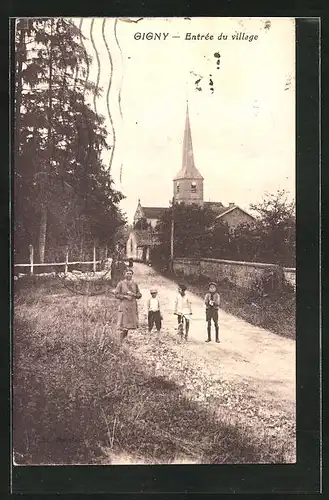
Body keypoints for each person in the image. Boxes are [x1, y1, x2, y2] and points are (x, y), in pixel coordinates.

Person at [115, 268, 142, 340]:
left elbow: (139, 295)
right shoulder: (121, 283)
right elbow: (116, 295)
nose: (129, 275)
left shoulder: (134, 284)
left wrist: (134, 294)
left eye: (130, 274)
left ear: (132, 275)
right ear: (124, 275)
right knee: (123, 323)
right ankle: (120, 340)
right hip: (124, 305)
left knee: (129, 325)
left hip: (132, 306)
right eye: (127, 273)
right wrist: (125, 296)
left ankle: (124, 339)